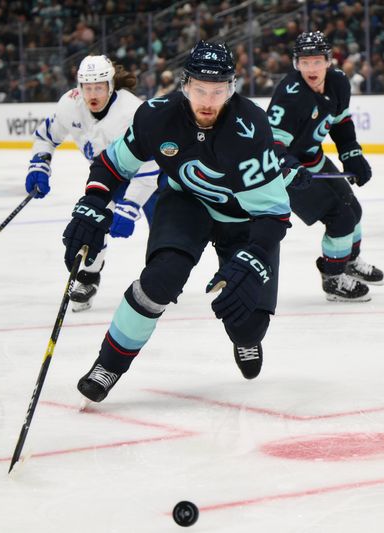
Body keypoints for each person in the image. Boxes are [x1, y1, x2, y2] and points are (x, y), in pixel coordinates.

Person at [62, 41, 293, 403]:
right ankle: (108, 364)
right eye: (200, 89)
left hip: (244, 219)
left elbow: (273, 214)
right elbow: (112, 165)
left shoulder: (250, 128)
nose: (208, 100)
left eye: (219, 91)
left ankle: (246, 340)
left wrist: (255, 256)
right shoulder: (156, 116)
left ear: (231, 89)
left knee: (247, 324)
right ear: (185, 85)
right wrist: (92, 201)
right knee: (159, 279)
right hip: (186, 204)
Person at [26, 55, 161, 311]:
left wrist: (130, 205)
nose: (92, 94)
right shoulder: (70, 105)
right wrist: (39, 164)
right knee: (90, 220)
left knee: (164, 230)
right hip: (107, 175)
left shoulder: (132, 111)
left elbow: (152, 162)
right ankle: (87, 279)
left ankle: (161, 278)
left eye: (99, 87)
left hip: (150, 176)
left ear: (111, 86)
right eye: (87, 87)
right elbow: (46, 136)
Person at [266, 31, 383, 303]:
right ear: (296, 64)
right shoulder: (289, 94)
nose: (311, 68)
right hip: (287, 172)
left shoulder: (339, 83)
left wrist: (351, 154)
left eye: (316, 61)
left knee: (353, 209)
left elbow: (341, 122)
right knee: (339, 217)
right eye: (304, 62)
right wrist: (291, 169)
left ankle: (349, 261)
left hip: (314, 159)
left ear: (328, 61)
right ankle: (333, 277)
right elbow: (272, 146)